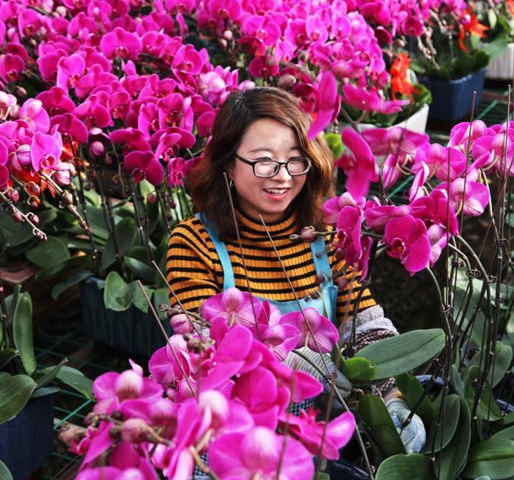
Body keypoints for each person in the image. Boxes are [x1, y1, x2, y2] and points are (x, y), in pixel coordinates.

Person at [165, 87, 425, 454]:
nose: (283, 176)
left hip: (319, 429)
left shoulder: (323, 235)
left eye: (295, 159)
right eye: (263, 161)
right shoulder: (194, 242)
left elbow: (366, 324)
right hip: (236, 434)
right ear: (227, 163)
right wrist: (307, 367)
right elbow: (204, 351)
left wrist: (393, 398)